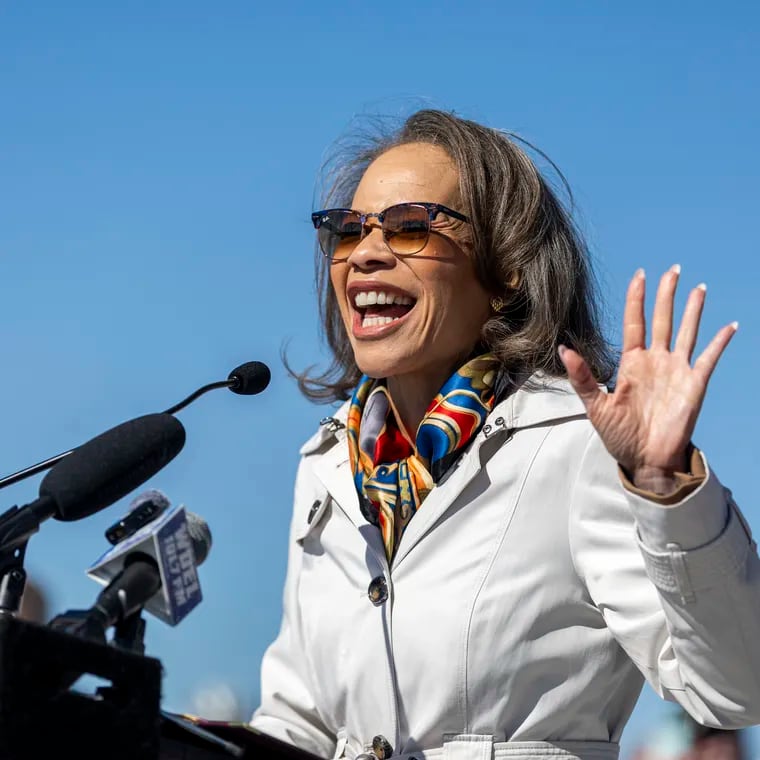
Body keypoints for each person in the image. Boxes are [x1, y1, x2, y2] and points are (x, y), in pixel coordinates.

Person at [250, 109, 760, 760]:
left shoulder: (575, 447)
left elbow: (734, 690)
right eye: (348, 232)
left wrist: (669, 492)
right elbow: (296, 720)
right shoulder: (325, 463)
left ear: (506, 270)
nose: (367, 254)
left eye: (410, 228)